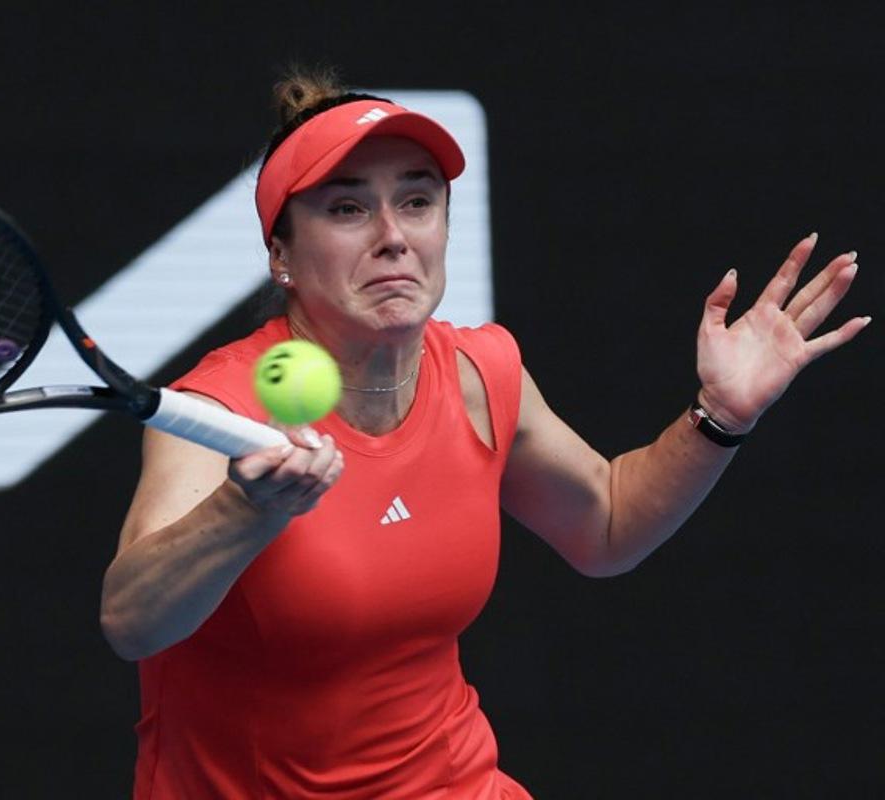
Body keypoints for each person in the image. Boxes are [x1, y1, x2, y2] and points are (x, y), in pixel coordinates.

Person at [100, 69, 869, 799]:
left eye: (417, 201)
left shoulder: (481, 372)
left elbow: (605, 526)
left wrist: (721, 416)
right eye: (346, 208)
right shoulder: (224, 409)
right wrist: (248, 511)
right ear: (281, 256)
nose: (393, 236)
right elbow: (132, 623)